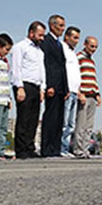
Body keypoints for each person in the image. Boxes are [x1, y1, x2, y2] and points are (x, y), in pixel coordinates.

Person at [10, 21, 46, 159]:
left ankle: (30, 147)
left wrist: (42, 88)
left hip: (36, 87)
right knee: (23, 118)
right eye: (40, 35)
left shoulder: (39, 51)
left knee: (33, 119)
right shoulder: (20, 47)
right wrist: (19, 87)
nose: (42, 38)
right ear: (31, 33)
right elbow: (16, 68)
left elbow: (42, 70)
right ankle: (21, 149)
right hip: (24, 85)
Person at [39, 14, 69, 157]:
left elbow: (62, 67)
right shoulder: (47, 42)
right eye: (61, 26)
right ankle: (47, 148)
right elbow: (46, 65)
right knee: (50, 118)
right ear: (52, 25)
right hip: (52, 87)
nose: (63, 29)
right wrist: (48, 85)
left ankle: (55, 149)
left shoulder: (59, 44)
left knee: (59, 120)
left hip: (61, 88)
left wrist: (66, 88)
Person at [73, 36, 101, 158]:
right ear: (85, 44)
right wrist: (79, 93)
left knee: (89, 126)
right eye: (91, 46)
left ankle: (85, 149)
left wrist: (98, 94)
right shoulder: (78, 58)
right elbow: (76, 77)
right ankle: (78, 150)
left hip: (92, 96)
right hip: (83, 95)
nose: (94, 49)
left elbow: (93, 79)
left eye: (96, 47)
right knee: (81, 124)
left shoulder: (91, 61)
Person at [60, 26, 82, 157]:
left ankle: (65, 147)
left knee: (70, 123)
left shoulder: (73, 53)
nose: (76, 41)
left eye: (78, 38)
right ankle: (60, 147)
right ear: (67, 37)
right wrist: (65, 88)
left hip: (74, 91)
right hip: (67, 91)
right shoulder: (62, 49)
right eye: (74, 38)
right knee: (63, 122)